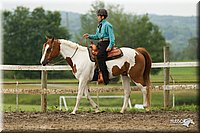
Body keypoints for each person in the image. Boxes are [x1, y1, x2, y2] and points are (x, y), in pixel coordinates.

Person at [83, 9, 115, 85]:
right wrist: (89, 36)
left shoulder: (107, 25)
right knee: (91, 52)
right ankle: (95, 74)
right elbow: (97, 36)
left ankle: (105, 77)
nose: (97, 17)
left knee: (100, 56)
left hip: (106, 43)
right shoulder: (99, 25)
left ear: (102, 17)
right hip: (100, 42)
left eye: (98, 16)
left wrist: (110, 45)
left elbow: (112, 37)